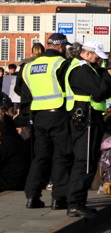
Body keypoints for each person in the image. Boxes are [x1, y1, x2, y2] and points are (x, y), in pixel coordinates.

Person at [19, 33, 72, 210]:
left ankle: (32, 196)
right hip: (58, 113)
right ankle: (58, 198)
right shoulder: (62, 63)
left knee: (40, 156)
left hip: (38, 116)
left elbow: (23, 92)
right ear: (60, 46)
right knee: (60, 156)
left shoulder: (29, 66)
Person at [63, 40, 111, 218]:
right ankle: (75, 203)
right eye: (97, 58)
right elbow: (101, 90)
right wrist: (105, 75)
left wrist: (102, 76)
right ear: (87, 53)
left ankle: (79, 201)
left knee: (89, 161)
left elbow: (104, 91)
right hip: (85, 119)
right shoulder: (81, 69)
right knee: (84, 162)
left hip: (89, 118)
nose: (99, 62)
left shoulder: (86, 68)